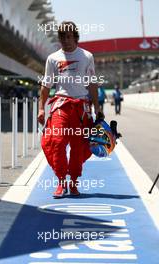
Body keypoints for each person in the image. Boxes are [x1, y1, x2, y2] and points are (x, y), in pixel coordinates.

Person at [38, 21, 104, 198]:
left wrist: (97, 109)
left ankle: (73, 182)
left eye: (68, 36)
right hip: (60, 106)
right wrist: (41, 110)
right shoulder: (52, 58)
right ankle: (61, 182)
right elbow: (46, 85)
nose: (65, 40)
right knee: (57, 143)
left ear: (75, 37)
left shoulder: (87, 56)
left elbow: (92, 83)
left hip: (81, 108)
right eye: (62, 37)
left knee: (78, 147)